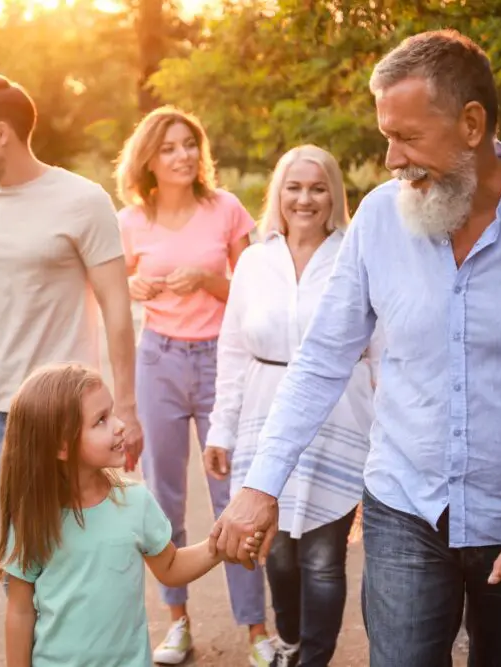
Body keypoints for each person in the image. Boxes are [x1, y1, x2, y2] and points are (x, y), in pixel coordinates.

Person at [210, 29, 501, 667]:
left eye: (407, 137)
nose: (389, 160)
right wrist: (261, 485)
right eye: (386, 135)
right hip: (404, 507)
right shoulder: (381, 220)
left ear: (472, 124)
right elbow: (323, 361)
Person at [0, 74, 144, 537]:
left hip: (63, 411)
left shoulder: (83, 201)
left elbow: (116, 309)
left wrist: (125, 405)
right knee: (14, 551)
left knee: (72, 543)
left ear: (1, 132)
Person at [204, 145, 379, 667]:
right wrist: (221, 429)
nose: (305, 199)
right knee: (276, 552)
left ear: (334, 196)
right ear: (278, 194)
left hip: (338, 414)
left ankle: (313, 660)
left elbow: (377, 351)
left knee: (324, 557)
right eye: (294, 187)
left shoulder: (354, 257)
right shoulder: (256, 261)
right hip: (263, 410)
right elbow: (233, 349)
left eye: (318, 187)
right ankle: (292, 637)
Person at [114, 106, 270, 664]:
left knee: (235, 495)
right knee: (165, 497)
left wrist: (208, 279)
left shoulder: (225, 209)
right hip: (157, 359)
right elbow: (113, 286)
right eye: (169, 147)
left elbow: (257, 298)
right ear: (149, 159)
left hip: (220, 363)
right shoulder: (130, 221)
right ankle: (176, 621)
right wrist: (132, 284)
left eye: (189, 145)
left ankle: (256, 629)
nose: (182, 156)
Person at [0, 363, 262, 667]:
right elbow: (20, 611)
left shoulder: (135, 502)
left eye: (112, 413)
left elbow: (169, 566)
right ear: (62, 446)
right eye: (101, 420)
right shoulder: (33, 517)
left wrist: (217, 548)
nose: (118, 425)